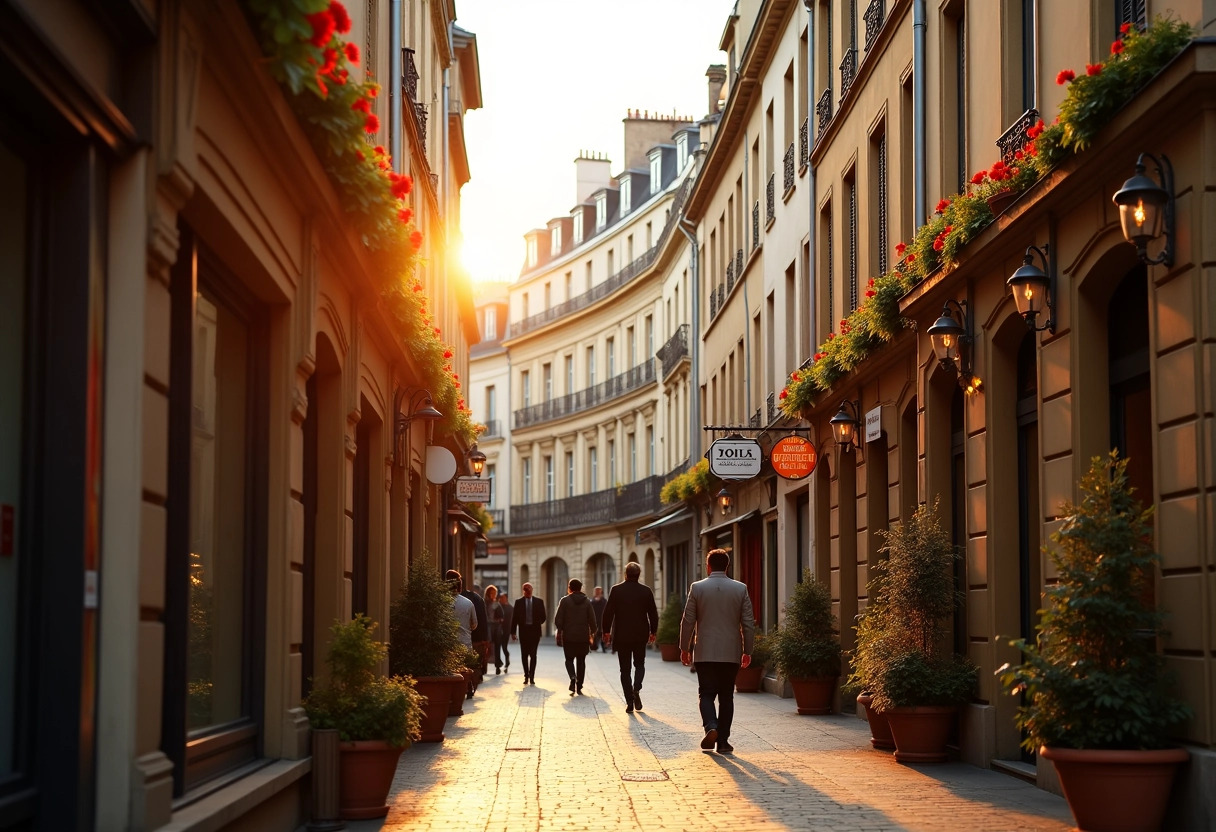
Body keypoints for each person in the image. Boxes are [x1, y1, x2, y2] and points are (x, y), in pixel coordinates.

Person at [680, 548, 754, 755]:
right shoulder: (740, 589)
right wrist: (748, 650)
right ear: (727, 566)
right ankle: (723, 742)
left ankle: (710, 726)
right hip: (730, 652)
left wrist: (684, 648)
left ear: (708, 566)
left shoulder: (697, 588)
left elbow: (687, 621)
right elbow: (748, 623)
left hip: (705, 651)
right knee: (727, 696)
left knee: (706, 693)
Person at [600, 562, 658, 713]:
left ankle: (629, 701)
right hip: (640, 634)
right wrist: (653, 631)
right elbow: (653, 613)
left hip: (622, 635)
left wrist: (606, 631)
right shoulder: (646, 591)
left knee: (624, 670)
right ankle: (636, 688)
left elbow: (608, 613)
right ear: (639, 574)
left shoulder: (616, 590)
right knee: (640, 664)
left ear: (625, 574)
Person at [553, 578, 597, 695]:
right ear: (580, 588)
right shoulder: (587, 602)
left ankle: (572, 677)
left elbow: (558, 619)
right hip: (583, 637)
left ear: (570, 588)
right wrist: (593, 632)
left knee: (569, 660)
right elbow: (592, 620)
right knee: (581, 661)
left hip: (569, 636)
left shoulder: (565, 601)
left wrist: (560, 629)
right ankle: (579, 685)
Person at [511, 582, 546, 684]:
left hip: (535, 632)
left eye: (530, 589)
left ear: (532, 590)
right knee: (524, 655)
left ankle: (532, 676)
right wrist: (513, 632)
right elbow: (514, 619)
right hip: (524, 632)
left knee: (533, 655)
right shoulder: (519, 602)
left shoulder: (539, 602)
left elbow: (543, 617)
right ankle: (526, 675)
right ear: (523, 591)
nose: (528, 591)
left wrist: (536, 623)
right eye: (526, 589)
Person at [484, 585, 505, 673]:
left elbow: (501, 615)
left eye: (495, 593)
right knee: (487, 646)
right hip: (488, 626)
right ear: (488, 593)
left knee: (497, 646)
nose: (493, 595)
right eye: (492, 593)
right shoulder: (485, 602)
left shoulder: (496, 603)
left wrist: (500, 619)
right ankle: (484, 667)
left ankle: (497, 666)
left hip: (496, 626)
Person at [496, 591, 513, 672]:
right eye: (500, 598)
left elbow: (512, 621)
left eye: (502, 598)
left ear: (506, 598)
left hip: (506, 630)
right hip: (498, 629)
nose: (501, 599)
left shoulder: (510, 608)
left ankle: (507, 662)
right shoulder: (498, 606)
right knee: (497, 647)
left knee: (504, 647)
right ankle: (498, 665)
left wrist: (512, 632)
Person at [590, 586, 608, 652]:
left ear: (601, 592)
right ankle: (594, 646)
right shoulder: (591, 601)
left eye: (598, 591)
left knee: (602, 633)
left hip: (602, 619)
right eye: (596, 591)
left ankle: (604, 647)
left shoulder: (604, 601)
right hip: (594, 620)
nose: (597, 592)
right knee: (594, 633)